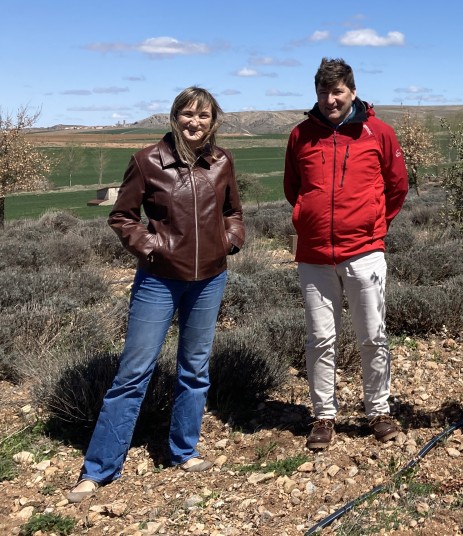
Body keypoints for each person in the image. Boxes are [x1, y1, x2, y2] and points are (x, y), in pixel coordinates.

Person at [67, 87, 243, 504]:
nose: (194, 122)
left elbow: (233, 211)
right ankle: (99, 469)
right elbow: (122, 216)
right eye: (187, 114)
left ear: (213, 120)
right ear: (174, 117)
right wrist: (151, 248)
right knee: (133, 372)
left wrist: (230, 241)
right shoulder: (148, 161)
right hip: (159, 281)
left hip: (210, 279)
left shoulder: (221, 162)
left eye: (203, 115)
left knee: (195, 368)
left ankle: (184, 451)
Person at [284, 57, 409, 451]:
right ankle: (323, 416)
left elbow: (397, 186)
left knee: (373, 334)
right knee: (320, 338)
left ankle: (378, 410)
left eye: (337, 91)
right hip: (315, 255)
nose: (330, 99)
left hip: (365, 253)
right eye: (323, 92)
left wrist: (374, 225)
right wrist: (309, 217)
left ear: (352, 91)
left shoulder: (379, 132)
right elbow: (294, 188)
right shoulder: (300, 135)